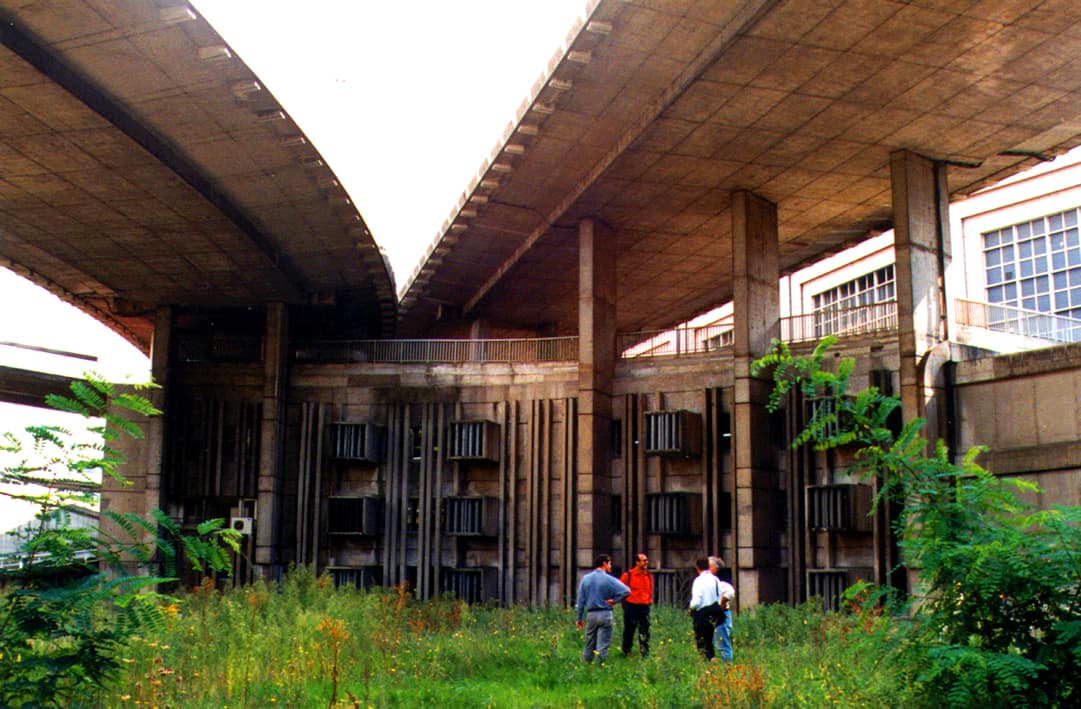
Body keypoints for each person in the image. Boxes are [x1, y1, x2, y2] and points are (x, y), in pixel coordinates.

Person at [575, 554, 630, 664]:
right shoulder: (609, 579)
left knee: (589, 643)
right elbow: (626, 591)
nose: (611, 566)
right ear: (604, 563)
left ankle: (586, 666)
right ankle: (599, 668)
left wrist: (579, 618)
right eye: (610, 563)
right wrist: (614, 600)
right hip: (605, 613)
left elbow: (580, 601)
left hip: (591, 614)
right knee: (603, 645)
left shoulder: (585, 579)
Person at [688, 556, 728, 662]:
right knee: (709, 640)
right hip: (715, 612)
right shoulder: (715, 579)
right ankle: (712, 661)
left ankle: (707, 664)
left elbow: (696, 600)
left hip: (702, 613)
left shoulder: (699, 580)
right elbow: (720, 595)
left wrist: (691, 608)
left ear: (697, 567)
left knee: (701, 642)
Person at [619, 552, 653, 657]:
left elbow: (649, 590)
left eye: (646, 560)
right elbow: (620, 590)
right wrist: (625, 604)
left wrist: (648, 601)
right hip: (631, 605)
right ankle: (626, 651)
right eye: (643, 560)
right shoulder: (628, 575)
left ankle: (644, 651)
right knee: (629, 629)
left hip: (644, 606)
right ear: (637, 562)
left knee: (645, 630)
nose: (646, 563)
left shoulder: (648, 576)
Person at [709, 555, 736, 664]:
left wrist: (722, 603)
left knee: (723, 643)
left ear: (715, 568)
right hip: (710, 615)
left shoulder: (722, 582)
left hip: (721, 615)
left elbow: (730, 593)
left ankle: (727, 669)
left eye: (709, 566)